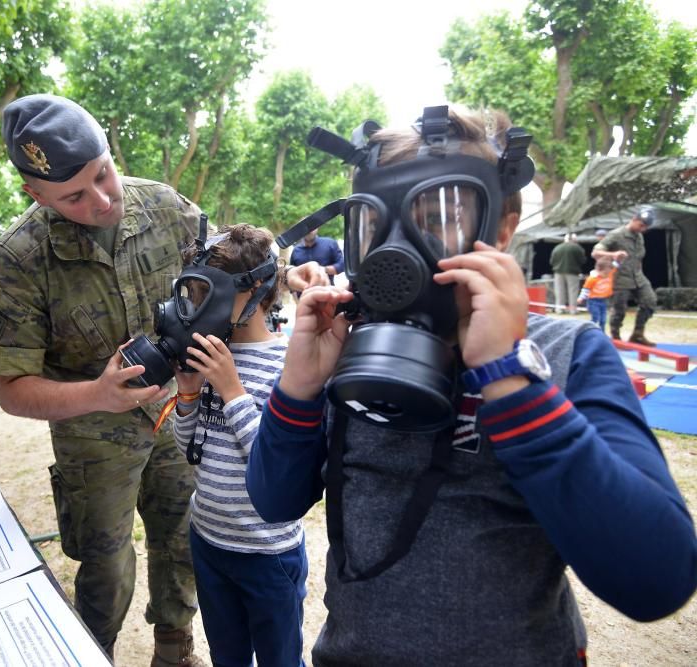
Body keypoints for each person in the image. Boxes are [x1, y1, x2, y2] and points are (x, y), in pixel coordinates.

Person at [245, 106, 697, 665]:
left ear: (502, 231)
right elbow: (273, 502)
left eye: (436, 217)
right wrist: (299, 388)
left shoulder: (564, 355)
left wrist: (510, 378)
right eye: (373, 223)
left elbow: (657, 580)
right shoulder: (346, 348)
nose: (397, 248)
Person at [0, 94, 205, 666]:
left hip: (180, 411)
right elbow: (12, 390)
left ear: (108, 148)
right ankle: (91, 653)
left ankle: (174, 648)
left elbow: (222, 272)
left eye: (103, 174)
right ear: (36, 194)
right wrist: (97, 394)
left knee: (181, 538)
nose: (102, 200)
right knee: (105, 561)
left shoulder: (165, 206)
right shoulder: (19, 258)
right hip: (92, 431)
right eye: (74, 196)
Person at [171, 224, 307, 667]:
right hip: (209, 542)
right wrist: (189, 395)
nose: (199, 305)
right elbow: (190, 447)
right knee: (226, 656)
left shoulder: (289, 366)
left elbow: (276, 464)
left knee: (278, 659)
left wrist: (231, 390)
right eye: (194, 292)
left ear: (261, 290)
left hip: (267, 553)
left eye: (213, 292)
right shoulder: (211, 355)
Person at [592, 207, 658, 344]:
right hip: (620, 278)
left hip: (638, 277)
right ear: (634, 219)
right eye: (641, 225)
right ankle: (615, 337)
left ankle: (638, 334)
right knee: (619, 310)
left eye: (645, 227)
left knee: (649, 301)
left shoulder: (639, 237)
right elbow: (595, 252)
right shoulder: (616, 235)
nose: (643, 229)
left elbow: (638, 258)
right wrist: (613, 255)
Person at [577, 256, 617, 334]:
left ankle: (602, 333)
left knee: (603, 319)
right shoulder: (592, 279)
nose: (607, 274)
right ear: (599, 270)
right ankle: (589, 331)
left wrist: (618, 258)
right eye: (605, 273)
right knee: (596, 318)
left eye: (609, 272)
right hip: (593, 301)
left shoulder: (609, 273)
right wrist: (581, 298)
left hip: (604, 300)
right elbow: (586, 289)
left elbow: (615, 266)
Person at [550, 232, 585, 314]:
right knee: (573, 291)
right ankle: (573, 310)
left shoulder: (557, 247)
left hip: (558, 272)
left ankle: (560, 309)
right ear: (574, 239)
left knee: (559, 290)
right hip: (573, 272)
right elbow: (582, 260)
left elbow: (552, 261)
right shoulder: (577, 248)